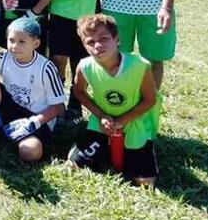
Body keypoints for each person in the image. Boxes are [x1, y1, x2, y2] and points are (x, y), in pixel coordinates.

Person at [67, 14, 160, 187]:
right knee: (74, 165)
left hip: (134, 121)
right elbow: (79, 92)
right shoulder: (84, 66)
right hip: (103, 120)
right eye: (90, 42)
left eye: (104, 39)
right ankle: (104, 146)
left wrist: (120, 121)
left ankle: (144, 146)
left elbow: (150, 100)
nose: (98, 46)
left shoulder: (140, 65)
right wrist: (102, 116)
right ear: (84, 45)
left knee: (145, 183)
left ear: (117, 39)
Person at [0, 17, 65, 163]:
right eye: (11, 40)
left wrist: (34, 122)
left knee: (30, 152)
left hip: (36, 116)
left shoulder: (46, 68)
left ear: (36, 44)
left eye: (22, 42)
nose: (14, 46)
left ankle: (11, 136)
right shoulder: (3, 58)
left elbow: (58, 107)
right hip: (11, 107)